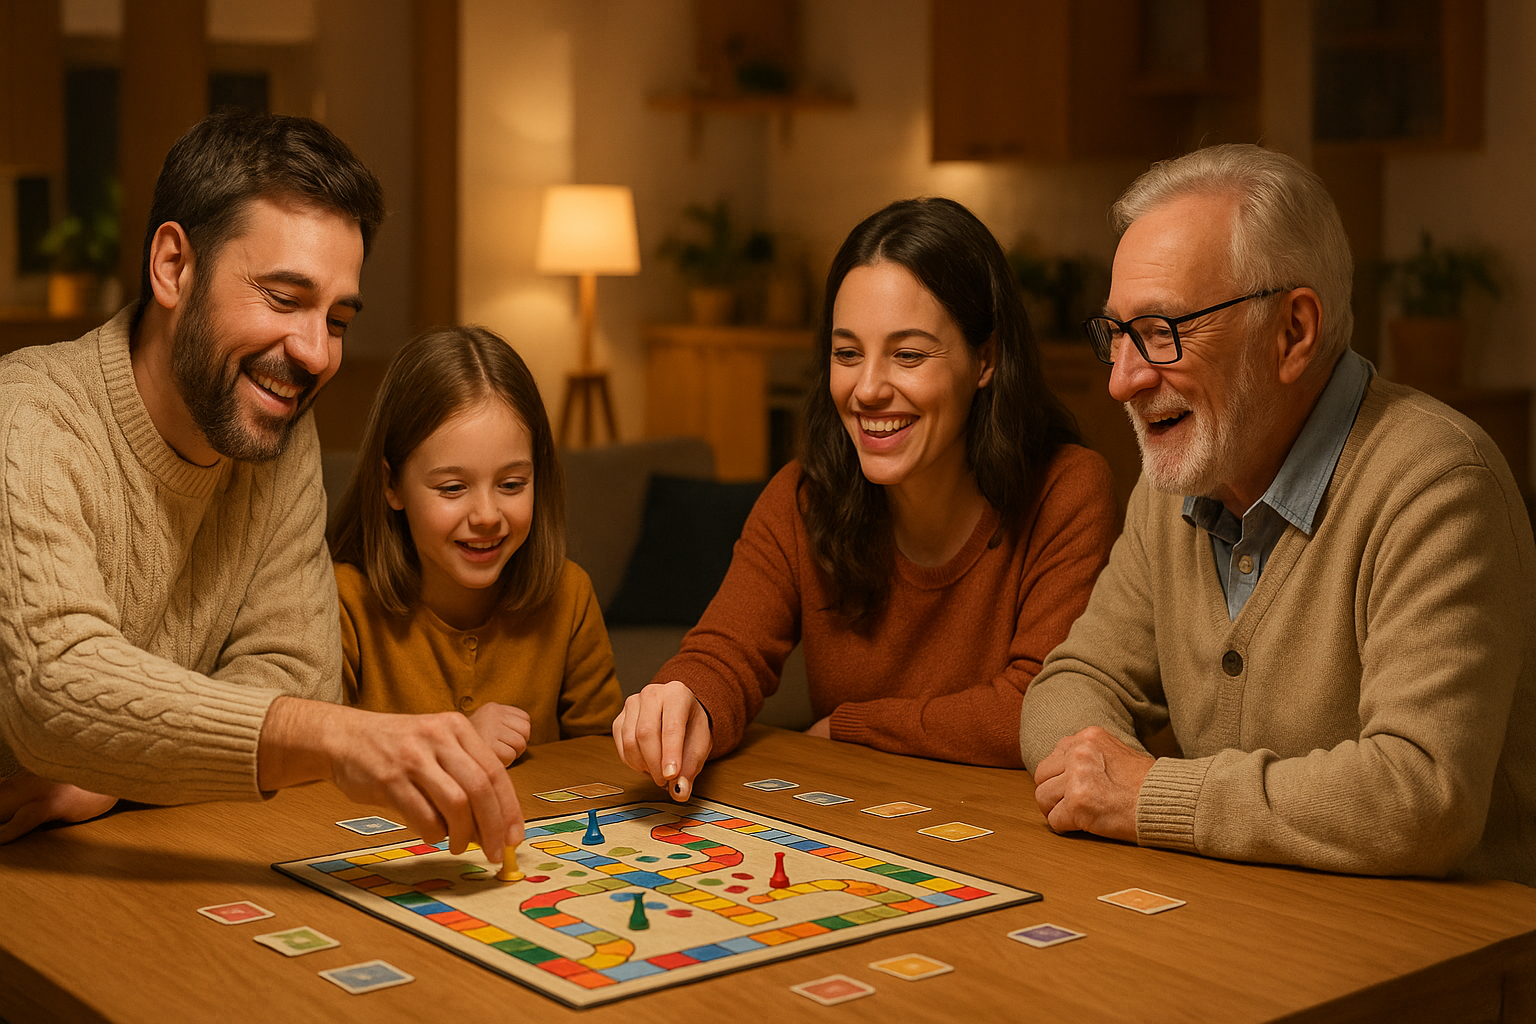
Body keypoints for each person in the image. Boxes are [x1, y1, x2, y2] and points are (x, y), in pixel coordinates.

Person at [0, 111, 523, 864]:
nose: (315, 354)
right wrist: (343, 740)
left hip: (119, 853)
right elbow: (54, 688)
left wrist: (115, 771)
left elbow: (296, 670)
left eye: (338, 318)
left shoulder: (279, 436)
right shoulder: (30, 416)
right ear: (173, 266)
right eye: (284, 299)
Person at [1019, 143, 1535, 886]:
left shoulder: (1439, 483)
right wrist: (1098, 775)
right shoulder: (1176, 482)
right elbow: (1069, 682)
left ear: (1292, 332)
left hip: (1452, 958)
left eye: (1162, 333)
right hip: (1253, 922)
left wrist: (1150, 795)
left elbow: (1422, 797)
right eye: (1116, 336)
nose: (1123, 381)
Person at [614, 197, 1118, 798]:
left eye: (908, 354)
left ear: (986, 359)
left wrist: (855, 726)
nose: (868, 389)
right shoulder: (802, 497)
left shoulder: (1068, 489)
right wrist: (682, 700)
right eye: (847, 353)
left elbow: (1041, 707)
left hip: (1014, 834)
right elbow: (724, 656)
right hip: (859, 837)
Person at [328, 325, 622, 763]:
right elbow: (314, 765)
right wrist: (453, 743)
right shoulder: (343, 602)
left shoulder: (569, 595)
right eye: (452, 488)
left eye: (511, 483)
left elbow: (600, 759)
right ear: (392, 484)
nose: (486, 515)